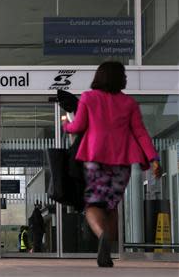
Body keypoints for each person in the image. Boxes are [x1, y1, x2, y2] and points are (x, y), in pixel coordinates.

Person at [62, 61, 162, 267]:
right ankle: (109, 240)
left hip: (95, 158)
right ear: (117, 78)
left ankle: (102, 236)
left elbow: (78, 126)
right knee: (111, 204)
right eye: (123, 74)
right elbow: (140, 132)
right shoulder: (129, 103)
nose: (125, 77)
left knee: (93, 203)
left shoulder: (89, 98)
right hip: (121, 161)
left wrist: (65, 123)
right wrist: (154, 158)